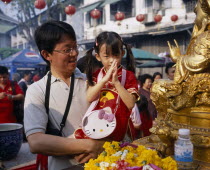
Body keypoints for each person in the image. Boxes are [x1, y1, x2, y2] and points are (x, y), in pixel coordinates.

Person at [24, 21, 105, 170]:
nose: (74, 53)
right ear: (47, 54)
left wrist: (103, 145)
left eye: (75, 47)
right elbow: (36, 141)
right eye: (67, 49)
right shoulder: (37, 90)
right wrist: (91, 146)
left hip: (104, 164)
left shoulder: (93, 82)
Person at [75, 31, 140, 142]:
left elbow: (130, 104)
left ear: (122, 53)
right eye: (106, 56)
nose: (111, 60)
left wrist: (117, 83)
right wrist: (104, 80)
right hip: (99, 126)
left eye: (115, 55)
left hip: (122, 129)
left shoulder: (128, 76)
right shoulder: (96, 76)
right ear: (98, 57)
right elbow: (89, 97)